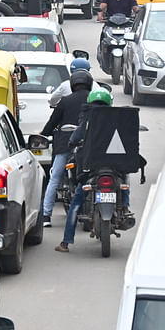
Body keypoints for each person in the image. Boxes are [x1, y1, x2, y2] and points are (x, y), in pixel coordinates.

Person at [55, 87, 111, 253]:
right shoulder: (118, 119)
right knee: (124, 183)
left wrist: (72, 143)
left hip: (91, 170)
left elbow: (74, 138)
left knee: (76, 203)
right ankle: (126, 205)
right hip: (114, 167)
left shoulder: (87, 120)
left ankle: (66, 242)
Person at [39, 69, 93, 227]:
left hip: (65, 145)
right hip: (88, 147)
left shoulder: (65, 101)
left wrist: (43, 133)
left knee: (54, 177)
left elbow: (51, 124)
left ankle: (46, 216)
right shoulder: (94, 102)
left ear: (72, 84)